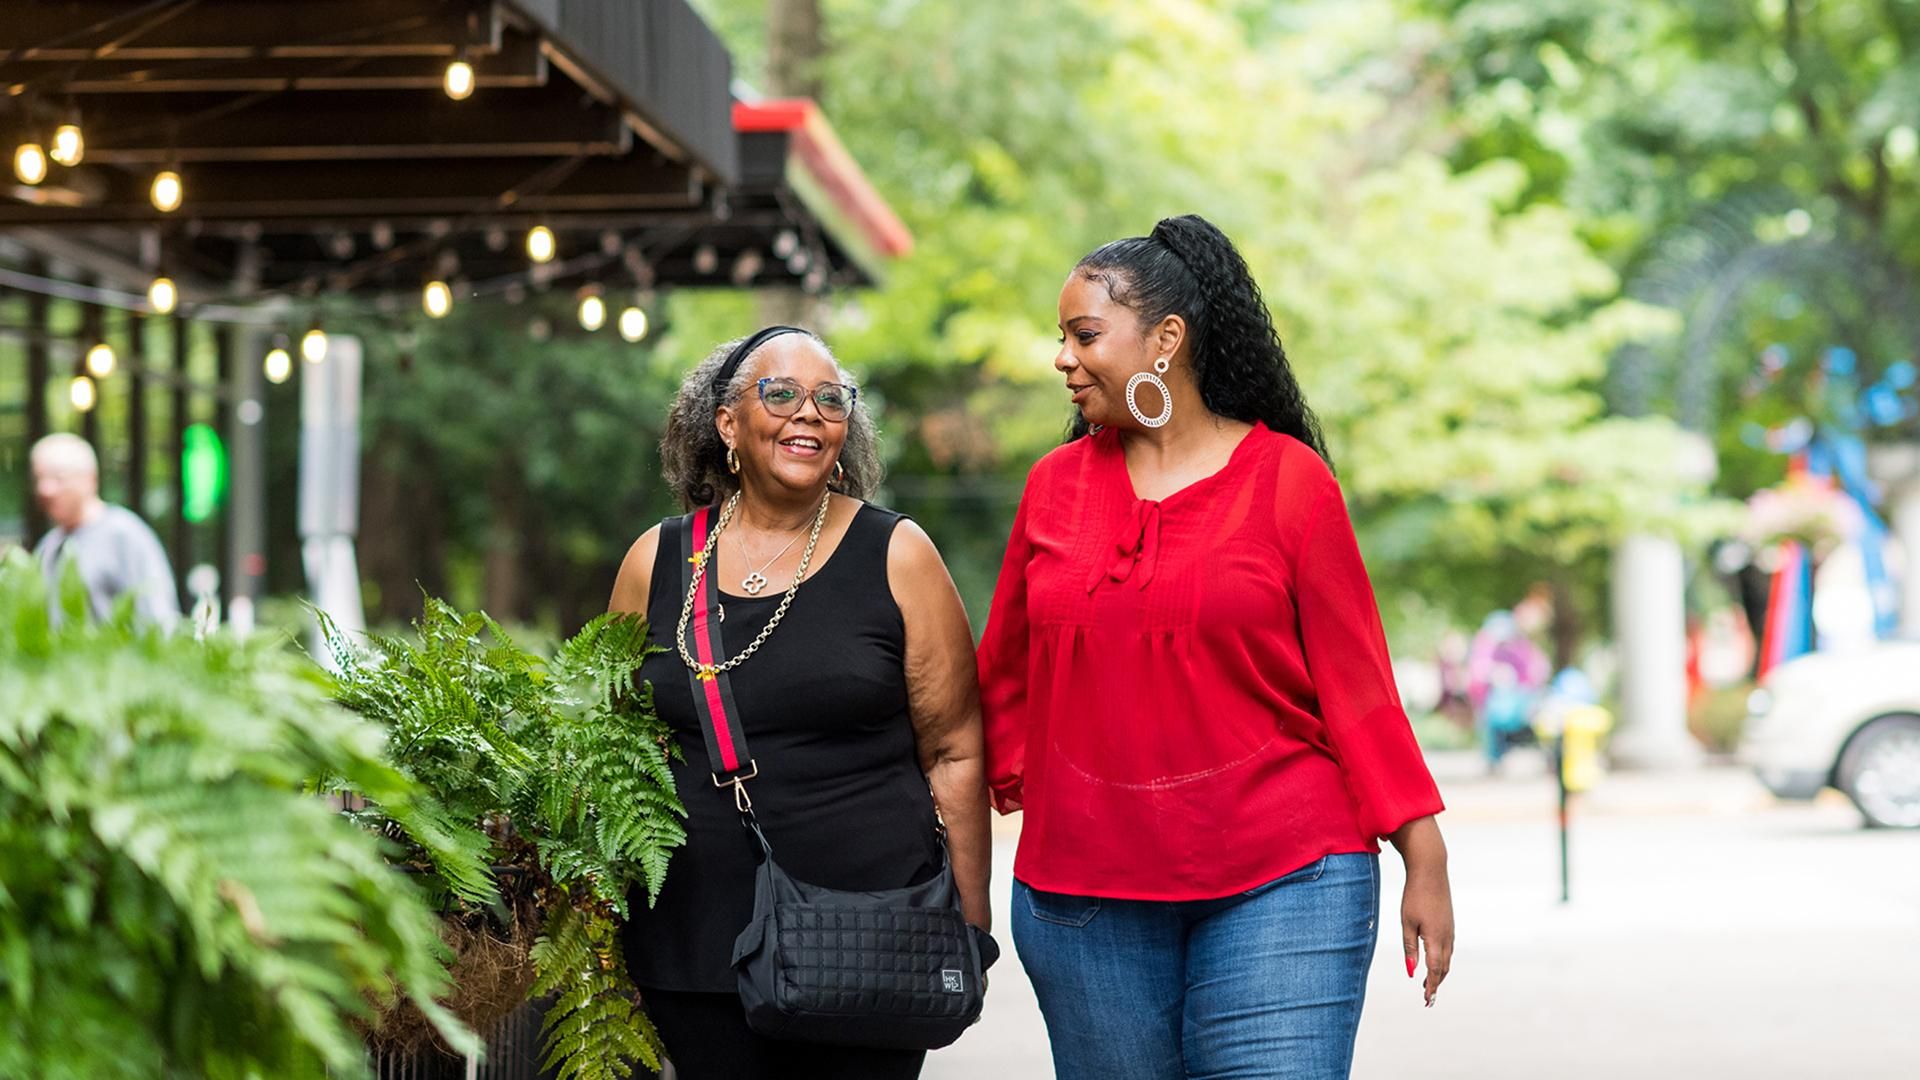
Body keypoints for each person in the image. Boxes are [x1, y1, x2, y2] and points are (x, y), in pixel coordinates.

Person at [977, 215, 1454, 1080]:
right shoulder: (1053, 490)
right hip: (1085, 902)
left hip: (1288, 880)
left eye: (1085, 335)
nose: (1063, 359)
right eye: (1062, 339)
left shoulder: (1290, 482)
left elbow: (1358, 687)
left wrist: (1424, 852)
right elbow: (1000, 679)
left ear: (1166, 341)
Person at [607, 327, 992, 1079]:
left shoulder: (899, 554)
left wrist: (968, 924)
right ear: (727, 425)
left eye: (830, 399)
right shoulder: (655, 560)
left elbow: (954, 749)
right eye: (780, 394)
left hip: (872, 940)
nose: (807, 414)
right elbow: (610, 740)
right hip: (691, 941)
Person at [30, 433, 180, 631]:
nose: (46, 489)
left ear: (90, 479)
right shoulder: (48, 546)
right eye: (39, 478)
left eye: (59, 478)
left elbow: (158, 619)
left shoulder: (124, 535)